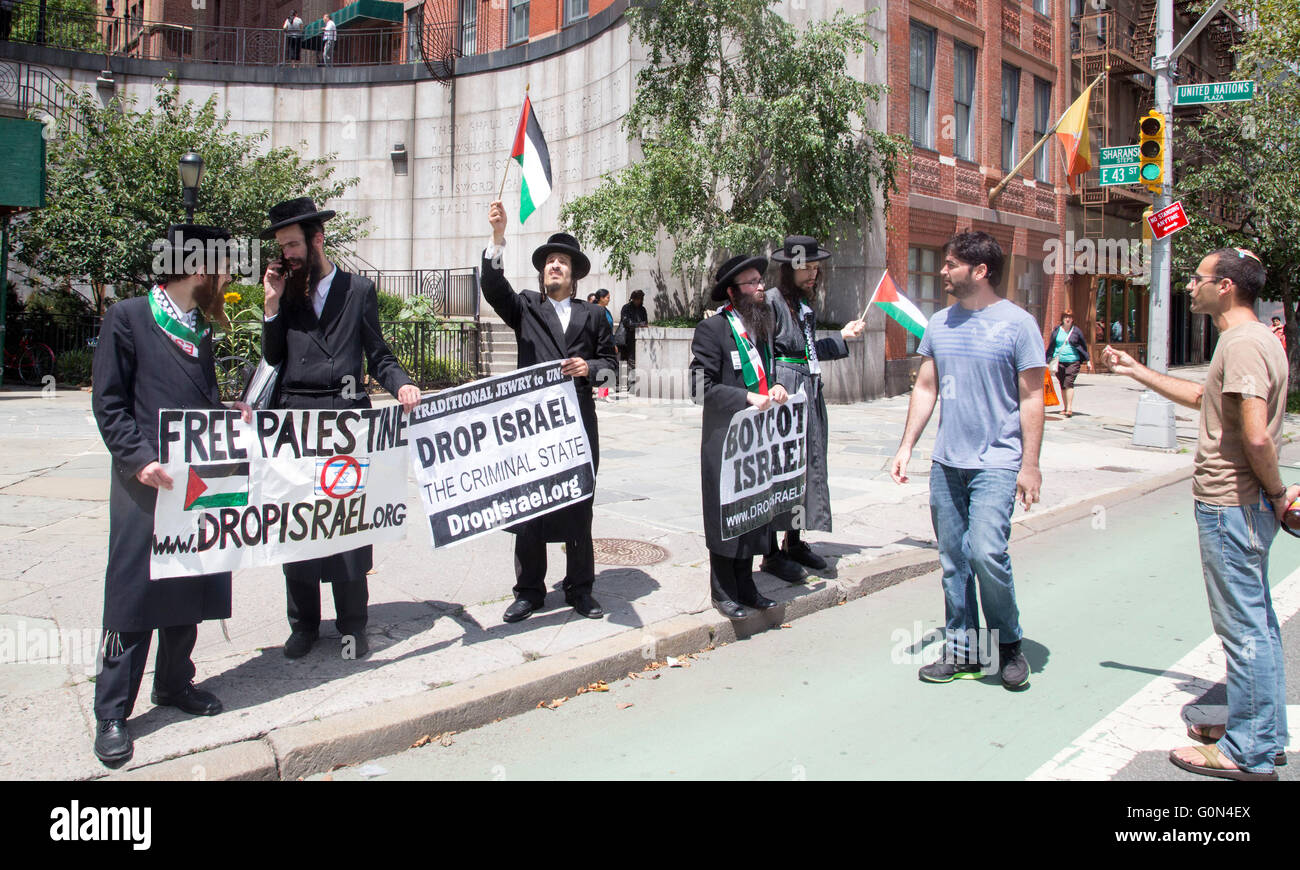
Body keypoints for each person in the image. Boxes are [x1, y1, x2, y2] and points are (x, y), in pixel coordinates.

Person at [1104, 248, 1291, 782]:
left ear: (1227, 286)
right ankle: (1266, 736)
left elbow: (1254, 432)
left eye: (1200, 278)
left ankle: (1249, 752)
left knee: (1243, 629)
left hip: (1233, 503)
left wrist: (1277, 492)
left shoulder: (1244, 343)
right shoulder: (1248, 342)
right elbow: (1203, 398)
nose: (1191, 286)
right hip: (1241, 504)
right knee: (1257, 625)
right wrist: (1139, 370)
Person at [90, 224, 250, 768]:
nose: (227, 279)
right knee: (135, 593)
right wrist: (139, 460)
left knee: (190, 579)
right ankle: (112, 711)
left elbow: (197, 403)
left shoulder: (199, 329)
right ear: (197, 268)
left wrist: (227, 415)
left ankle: (175, 683)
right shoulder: (129, 317)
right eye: (223, 267)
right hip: (145, 481)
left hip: (193, 480)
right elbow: (109, 404)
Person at [261, 197, 420, 661]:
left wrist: (403, 384)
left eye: (293, 244)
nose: (287, 254)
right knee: (298, 524)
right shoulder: (284, 292)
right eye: (281, 246)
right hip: (296, 421)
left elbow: (379, 353)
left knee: (349, 525)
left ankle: (353, 625)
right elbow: (273, 359)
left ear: (317, 240)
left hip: (347, 421)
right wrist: (271, 307)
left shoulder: (358, 290)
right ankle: (303, 624)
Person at [889, 231, 1043, 691]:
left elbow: (1033, 397)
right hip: (947, 462)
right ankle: (962, 647)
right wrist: (906, 445)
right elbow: (926, 387)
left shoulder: (1018, 324)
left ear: (980, 271)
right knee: (954, 558)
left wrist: (1030, 464)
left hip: (998, 461)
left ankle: (1008, 642)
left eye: (952, 264)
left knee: (986, 552)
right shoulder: (939, 324)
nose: (943, 271)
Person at [481, 199, 617, 622]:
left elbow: (612, 370)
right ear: (542, 273)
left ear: (574, 274)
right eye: (549, 262)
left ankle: (581, 588)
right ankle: (529, 591)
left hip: (577, 424)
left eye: (562, 262)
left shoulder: (594, 315)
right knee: (530, 506)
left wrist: (589, 368)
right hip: (533, 428)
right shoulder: (525, 308)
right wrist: (497, 240)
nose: (554, 266)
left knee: (579, 504)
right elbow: (492, 287)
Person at [760, 235, 865, 581]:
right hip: (785, 391)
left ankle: (794, 539)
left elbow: (809, 351)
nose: (813, 274)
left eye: (817, 268)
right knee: (782, 465)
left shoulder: (804, 306)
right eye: (807, 267)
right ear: (790, 268)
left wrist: (842, 337)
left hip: (809, 388)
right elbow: (765, 352)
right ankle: (771, 552)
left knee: (806, 465)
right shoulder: (772, 302)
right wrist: (770, 387)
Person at [691, 254, 790, 619]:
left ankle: (747, 585)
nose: (760, 287)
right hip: (725, 439)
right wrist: (745, 397)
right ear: (733, 292)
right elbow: (699, 386)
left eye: (761, 282)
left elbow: (769, 371)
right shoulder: (713, 330)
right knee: (726, 513)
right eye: (752, 283)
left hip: (758, 439)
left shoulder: (761, 326)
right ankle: (723, 590)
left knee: (754, 511)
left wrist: (776, 387)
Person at [1045, 311, 1092, 417]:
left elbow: (1083, 346)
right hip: (1059, 361)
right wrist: (1047, 361)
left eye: (1070, 317)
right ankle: (1065, 407)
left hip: (1073, 361)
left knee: (1069, 383)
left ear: (1072, 319)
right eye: (1066, 317)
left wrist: (1088, 360)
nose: (1068, 319)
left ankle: (1069, 408)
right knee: (1062, 384)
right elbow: (1052, 346)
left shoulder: (1076, 331)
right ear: (1062, 319)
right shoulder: (1057, 331)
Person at [617, 289, 648, 392]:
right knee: (622, 361)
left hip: (635, 339)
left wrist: (640, 325)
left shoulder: (642, 309)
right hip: (625, 338)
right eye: (637, 299)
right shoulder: (626, 308)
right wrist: (639, 325)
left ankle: (631, 384)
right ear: (633, 298)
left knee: (632, 362)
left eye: (640, 299)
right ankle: (620, 383)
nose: (639, 301)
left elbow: (645, 323)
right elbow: (627, 322)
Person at [594, 289, 614, 399]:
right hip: (599, 344)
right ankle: (602, 393)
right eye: (607, 297)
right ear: (601, 298)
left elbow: (610, 329)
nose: (609, 299)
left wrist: (613, 344)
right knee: (603, 368)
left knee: (606, 368)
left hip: (608, 343)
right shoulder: (595, 310)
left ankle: (603, 393)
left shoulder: (606, 310)